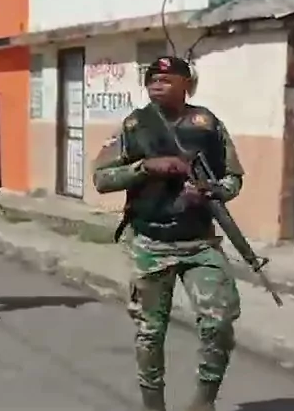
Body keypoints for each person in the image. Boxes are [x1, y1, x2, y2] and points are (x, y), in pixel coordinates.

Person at [92, 55, 243, 411]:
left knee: (219, 322)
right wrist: (145, 168)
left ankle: (203, 401)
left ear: (186, 83)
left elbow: (233, 178)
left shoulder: (207, 124)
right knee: (150, 332)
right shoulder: (135, 125)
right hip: (150, 241)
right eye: (151, 80)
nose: (156, 85)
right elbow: (101, 178)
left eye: (165, 79)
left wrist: (212, 190)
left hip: (199, 242)